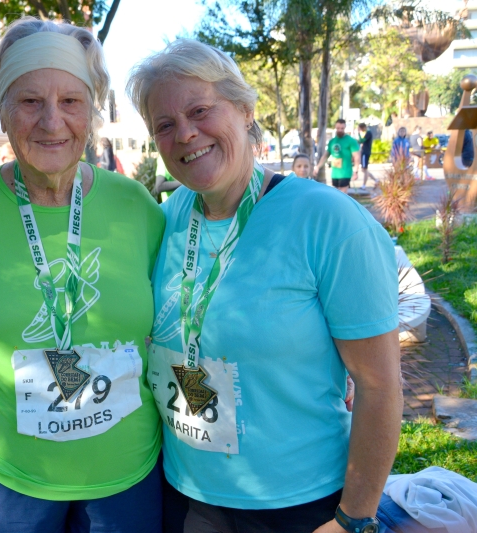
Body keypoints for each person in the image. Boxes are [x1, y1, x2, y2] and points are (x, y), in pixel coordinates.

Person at [127, 39, 402, 533]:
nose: (186, 134)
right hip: (185, 498)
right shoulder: (162, 223)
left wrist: (353, 519)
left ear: (245, 109)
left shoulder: (328, 221)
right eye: (164, 125)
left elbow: (380, 387)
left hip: (302, 507)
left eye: (200, 110)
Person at [0, 17, 164, 532]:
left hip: (125, 475)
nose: (52, 121)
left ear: (91, 111)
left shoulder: (137, 208)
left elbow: (178, 319)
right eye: (30, 101)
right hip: (1, 477)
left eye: (71, 102)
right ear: (2, 109)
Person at [314, 119, 361, 193]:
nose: (340, 130)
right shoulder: (332, 141)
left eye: (342, 128)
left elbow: (356, 156)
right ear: (335, 128)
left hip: (345, 173)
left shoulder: (351, 141)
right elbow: (326, 156)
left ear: (345, 128)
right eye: (338, 128)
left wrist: (356, 171)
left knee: (342, 194)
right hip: (335, 174)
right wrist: (318, 167)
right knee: (336, 194)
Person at [357, 123, 375, 189]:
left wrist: (358, 133)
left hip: (365, 152)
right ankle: (375, 180)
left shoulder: (368, 133)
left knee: (364, 169)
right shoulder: (367, 133)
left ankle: (364, 185)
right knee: (364, 169)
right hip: (364, 152)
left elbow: (361, 140)